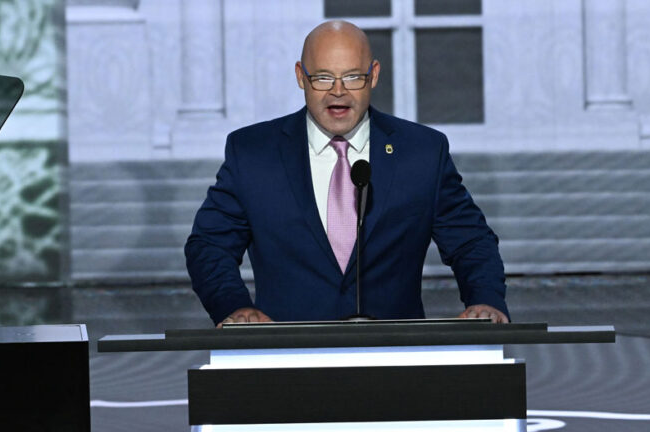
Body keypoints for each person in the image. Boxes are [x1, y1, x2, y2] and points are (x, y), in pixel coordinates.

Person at [185, 20, 508, 326]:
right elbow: (210, 245)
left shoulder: (422, 152)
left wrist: (485, 300)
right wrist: (236, 307)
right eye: (323, 77)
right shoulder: (253, 153)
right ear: (301, 76)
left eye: (353, 77)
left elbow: (470, 242)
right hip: (284, 358)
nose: (338, 91)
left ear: (374, 75)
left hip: (394, 357)